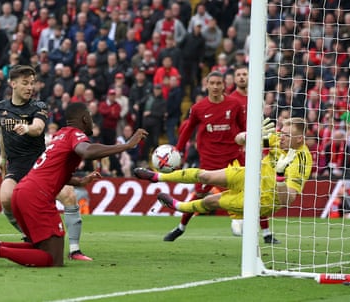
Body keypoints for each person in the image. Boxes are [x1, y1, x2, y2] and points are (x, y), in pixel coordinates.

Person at [0, 102, 148, 268]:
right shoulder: (75, 134)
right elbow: (86, 152)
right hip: (36, 196)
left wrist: (79, 181)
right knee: (53, 259)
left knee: (42, 247)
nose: (92, 122)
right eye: (91, 119)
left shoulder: (60, 135)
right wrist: (127, 145)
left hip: (22, 191)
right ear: (85, 119)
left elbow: (52, 172)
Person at [134, 118, 312, 230]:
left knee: (210, 201)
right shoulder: (276, 139)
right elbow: (238, 140)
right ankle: (157, 176)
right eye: (281, 133)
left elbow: (287, 200)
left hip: (265, 198)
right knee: (206, 176)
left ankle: (178, 206)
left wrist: (280, 176)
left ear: (299, 139)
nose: (281, 137)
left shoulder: (301, 161)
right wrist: (250, 135)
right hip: (251, 175)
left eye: (287, 136)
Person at [0, 65, 93, 261]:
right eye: (25, 83)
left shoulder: (38, 106)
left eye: (32, 83)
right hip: (16, 165)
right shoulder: (1, 108)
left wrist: (27, 128)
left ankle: (75, 249)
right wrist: (3, 158)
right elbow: (2, 134)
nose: (30, 87)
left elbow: (38, 128)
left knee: (69, 196)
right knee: (5, 198)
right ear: (13, 84)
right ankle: (30, 236)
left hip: (39, 166)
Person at [162, 71, 246, 242]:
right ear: (206, 85)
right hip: (210, 159)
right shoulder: (199, 108)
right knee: (199, 194)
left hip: (233, 158)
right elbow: (187, 130)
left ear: (224, 85)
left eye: (218, 83)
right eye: (212, 83)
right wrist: (177, 151)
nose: (215, 87)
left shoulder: (235, 105)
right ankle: (181, 227)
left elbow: (244, 128)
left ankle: (266, 234)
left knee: (251, 191)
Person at [228, 65, 279, 244]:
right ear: (234, 79)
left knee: (259, 189)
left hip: (255, 150)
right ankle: (237, 220)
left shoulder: (257, 98)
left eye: (244, 74)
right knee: (241, 188)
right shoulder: (231, 100)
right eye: (238, 75)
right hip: (237, 150)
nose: (242, 77)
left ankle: (265, 233)